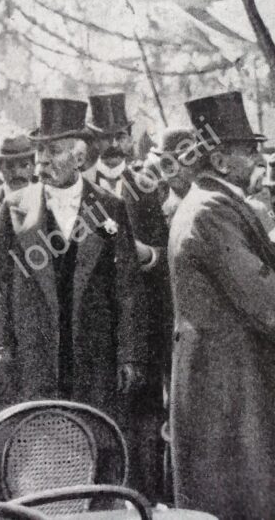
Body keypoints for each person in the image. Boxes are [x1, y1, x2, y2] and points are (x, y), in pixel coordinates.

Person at [0, 97, 148, 420]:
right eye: (39, 151)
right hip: (32, 359)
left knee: (92, 442)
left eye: (54, 151)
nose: (42, 162)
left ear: (80, 156)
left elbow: (128, 288)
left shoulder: (109, 207)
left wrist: (130, 355)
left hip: (92, 359)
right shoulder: (15, 207)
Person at [169, 91, 275, 520]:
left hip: (225, 384)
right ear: (220, 161)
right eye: (249, 151)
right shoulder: (212, 210)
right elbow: (262, 297)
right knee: (241, 502)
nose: (259, 161)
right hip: (228, 390)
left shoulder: (211, 204)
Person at [88, 93, 171, 500]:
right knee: (100, 422)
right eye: (104, 136)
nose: (113, 145)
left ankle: (146, 503)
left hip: (144, 323)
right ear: (91, 141)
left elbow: (169, 252)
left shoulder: (147, 187)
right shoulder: (78, 187)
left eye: (119, 135)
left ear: (129, 136)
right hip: (96, 326)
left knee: (145, 424)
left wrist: (148, 256)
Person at [0, 133, 35, 208]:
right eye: (9, 166)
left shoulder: (42, 197)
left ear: (34, 166)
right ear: (0, 167)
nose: (17, 173)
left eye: (24, 165)